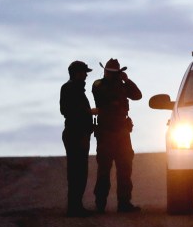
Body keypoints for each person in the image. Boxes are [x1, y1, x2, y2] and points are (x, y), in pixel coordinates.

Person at [92, 58, 143, 213]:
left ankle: (124, 203)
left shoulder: (122, 85)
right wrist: (119, 84)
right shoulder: (98, 85)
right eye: (111, 73)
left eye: (115, 73)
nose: (112, 75)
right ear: (105, 71)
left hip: (122, 132)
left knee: (125, 169)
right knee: (104, 170)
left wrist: (127, 81)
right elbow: (107, 97)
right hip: (106, 132)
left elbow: (137, 95)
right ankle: (100, 204)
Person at [59, 60, 98, 218]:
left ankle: (76, 206)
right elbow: (66, 110)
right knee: (77, 172)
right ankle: (74, 207)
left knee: (79, 171)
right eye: (83, 72)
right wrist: (89, 113)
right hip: (76, 134)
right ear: (76, 73)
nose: (86, 76)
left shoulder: (75, 89)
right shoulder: (70, 88)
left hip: (79, 134)